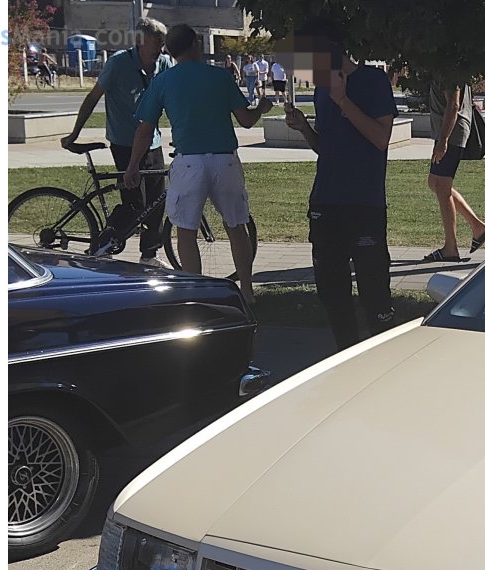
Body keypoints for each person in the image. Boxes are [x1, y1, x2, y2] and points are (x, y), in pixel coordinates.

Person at [124, 24, 272, 302]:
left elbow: (145, 130)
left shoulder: (163, 81)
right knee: (236, 227)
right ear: (195, 44)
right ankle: (248, 290)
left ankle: (195, 293)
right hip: (225, 160)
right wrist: (262, 108)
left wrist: (133, 165)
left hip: (188, 162)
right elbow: (247, 120)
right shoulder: (219, 77)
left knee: (186, 232)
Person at [283, 44, 398, 350]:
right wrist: (305, 128)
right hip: (325, 201)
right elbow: (327, 148)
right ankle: (344, 352)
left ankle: (382, 356)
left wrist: (343, 100)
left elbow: (380, 138)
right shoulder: (322, 89)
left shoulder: (373, 80)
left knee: (374, 289)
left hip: (364, 203)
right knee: (332, 291)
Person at [61, 17, 172, 266]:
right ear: (140, 41)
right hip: (124, 142)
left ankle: (149, 256)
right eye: (157, 42)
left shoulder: (163, 63)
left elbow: (173, 98)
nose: (161, 48)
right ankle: (103, 242)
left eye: (163, 43)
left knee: (156, 202)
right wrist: (75, 133)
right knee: (136, 204)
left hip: (152, 141)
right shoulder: (119, 63)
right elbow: (92, 98)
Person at [424, 78, 485, 262]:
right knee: (435, 183)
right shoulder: (447, 65)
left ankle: (450, 248)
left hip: (452, 135)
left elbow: (453, 105)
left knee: (441, 186)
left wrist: (443, 140)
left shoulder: (448, 68)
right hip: (448, 133)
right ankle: (478, 227)